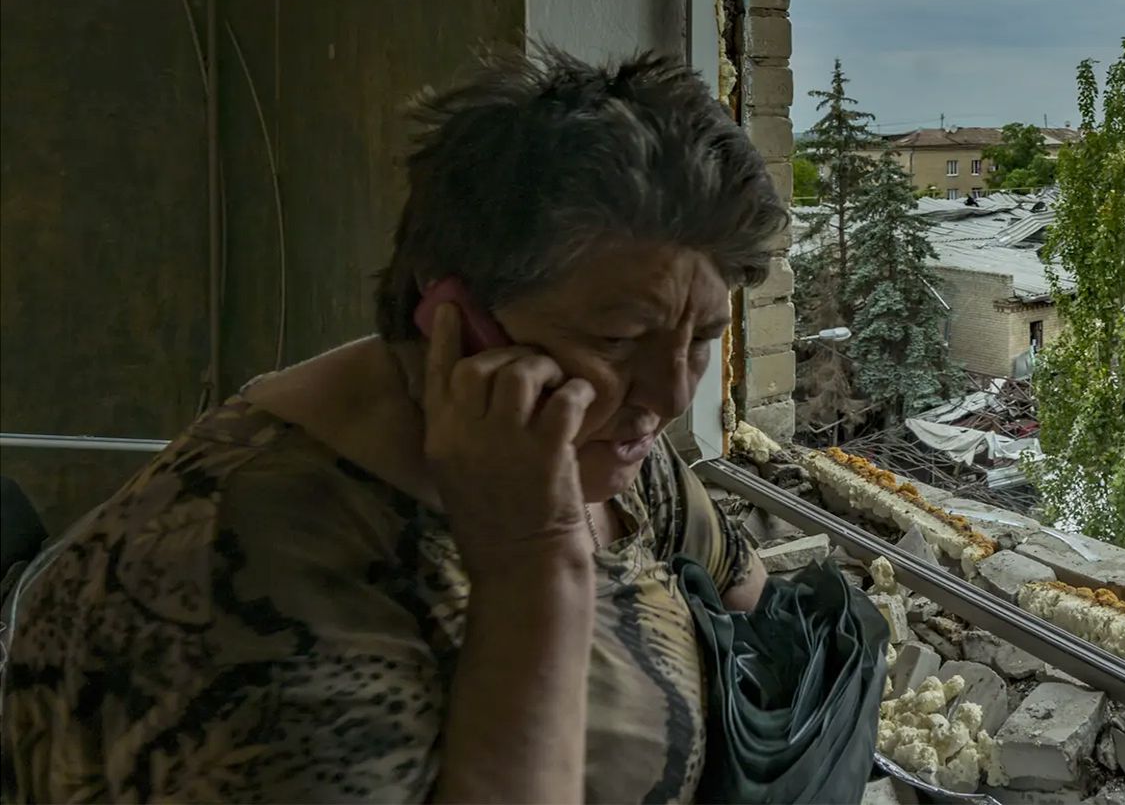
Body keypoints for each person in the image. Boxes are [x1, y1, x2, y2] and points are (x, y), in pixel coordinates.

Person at [1, 46, 789, 803]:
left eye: (702, 338)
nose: (669, 392)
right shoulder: (247, 595)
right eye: (617, 339)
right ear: (455, 318)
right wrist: (532, 572)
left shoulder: (597, 442)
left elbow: (750, 599)